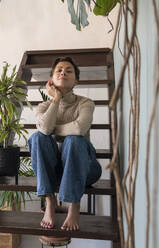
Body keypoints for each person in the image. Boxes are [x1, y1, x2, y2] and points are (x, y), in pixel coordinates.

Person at [28, 57, 102, 231]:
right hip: (55, 172)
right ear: (51, 80)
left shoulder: (85, 103)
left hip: (85, 170)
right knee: (38, 137)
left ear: (76, 80)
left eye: (69, 71)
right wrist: (56, 99)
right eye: (59, 70)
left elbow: (78, 129)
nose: (63, 72)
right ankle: (49, 200)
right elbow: (45, 130)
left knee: (74, 140)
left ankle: (74, 204)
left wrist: (54, 129)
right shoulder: (43, 106)